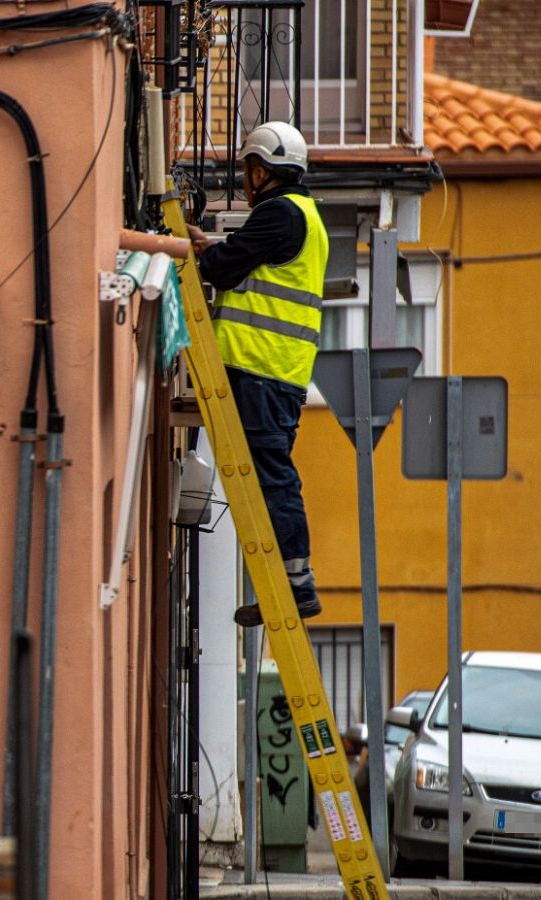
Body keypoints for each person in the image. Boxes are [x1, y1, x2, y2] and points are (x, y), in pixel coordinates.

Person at [186, 121, 328, 625]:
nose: (247, 179)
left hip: (261, 368)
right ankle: (282, 586)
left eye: (249, 170)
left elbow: (225, 270)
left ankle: (296, 586)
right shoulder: (299, 216)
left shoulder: (280, 214)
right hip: (274, 371)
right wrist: (214, 249)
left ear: (262, 171)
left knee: (271, 478)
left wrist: (208, 254)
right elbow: (237, 261)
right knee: (268, 479)